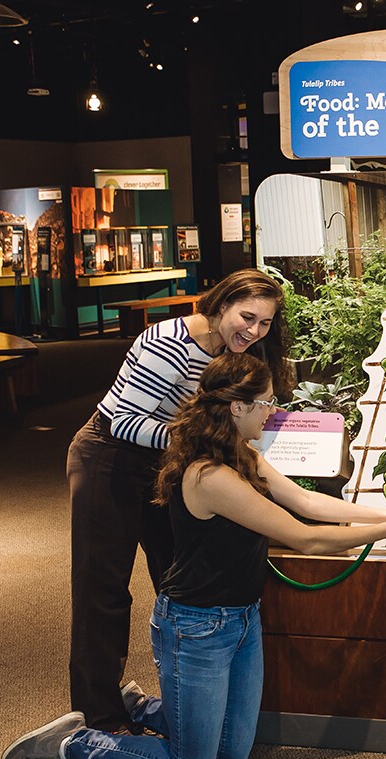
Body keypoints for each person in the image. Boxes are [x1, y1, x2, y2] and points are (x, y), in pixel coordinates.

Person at [6, 353, 386, 759]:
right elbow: (306, 536)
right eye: (266, 402)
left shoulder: (242, 453)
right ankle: (73, 743)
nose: (274, 411)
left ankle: (140, 707)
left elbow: (307, 503)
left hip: (242, 618)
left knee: (232, 754)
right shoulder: (211, 476)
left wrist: (384, 512)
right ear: (236, 407)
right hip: (196, 627)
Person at [66, 268, 292, 734]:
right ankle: (100, 716)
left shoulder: (241, 350)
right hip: (111, 455)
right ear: (221, 304)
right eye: (246, 317)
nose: (253, 331)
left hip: (170, 459)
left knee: (182, 579)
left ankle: (184, 706)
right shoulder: (166, 343)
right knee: (103, 588)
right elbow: (126, 420)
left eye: (265, 323)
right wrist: (203, 443)